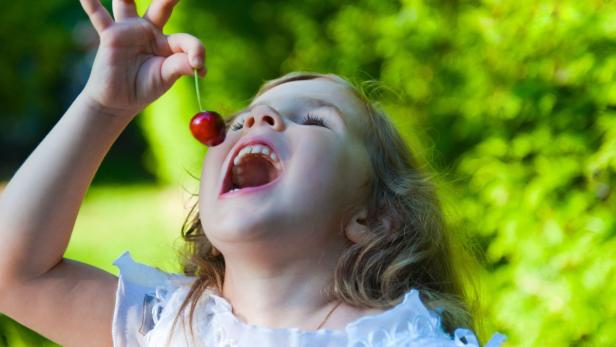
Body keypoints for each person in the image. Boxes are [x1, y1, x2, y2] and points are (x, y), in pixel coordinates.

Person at [0, 0, 506, 346]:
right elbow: (12, 272)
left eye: (313, 120)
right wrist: (103, 107)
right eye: (239, 120)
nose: (257, 119)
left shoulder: (402, 339)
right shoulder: (169, 324)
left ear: (373, 217)